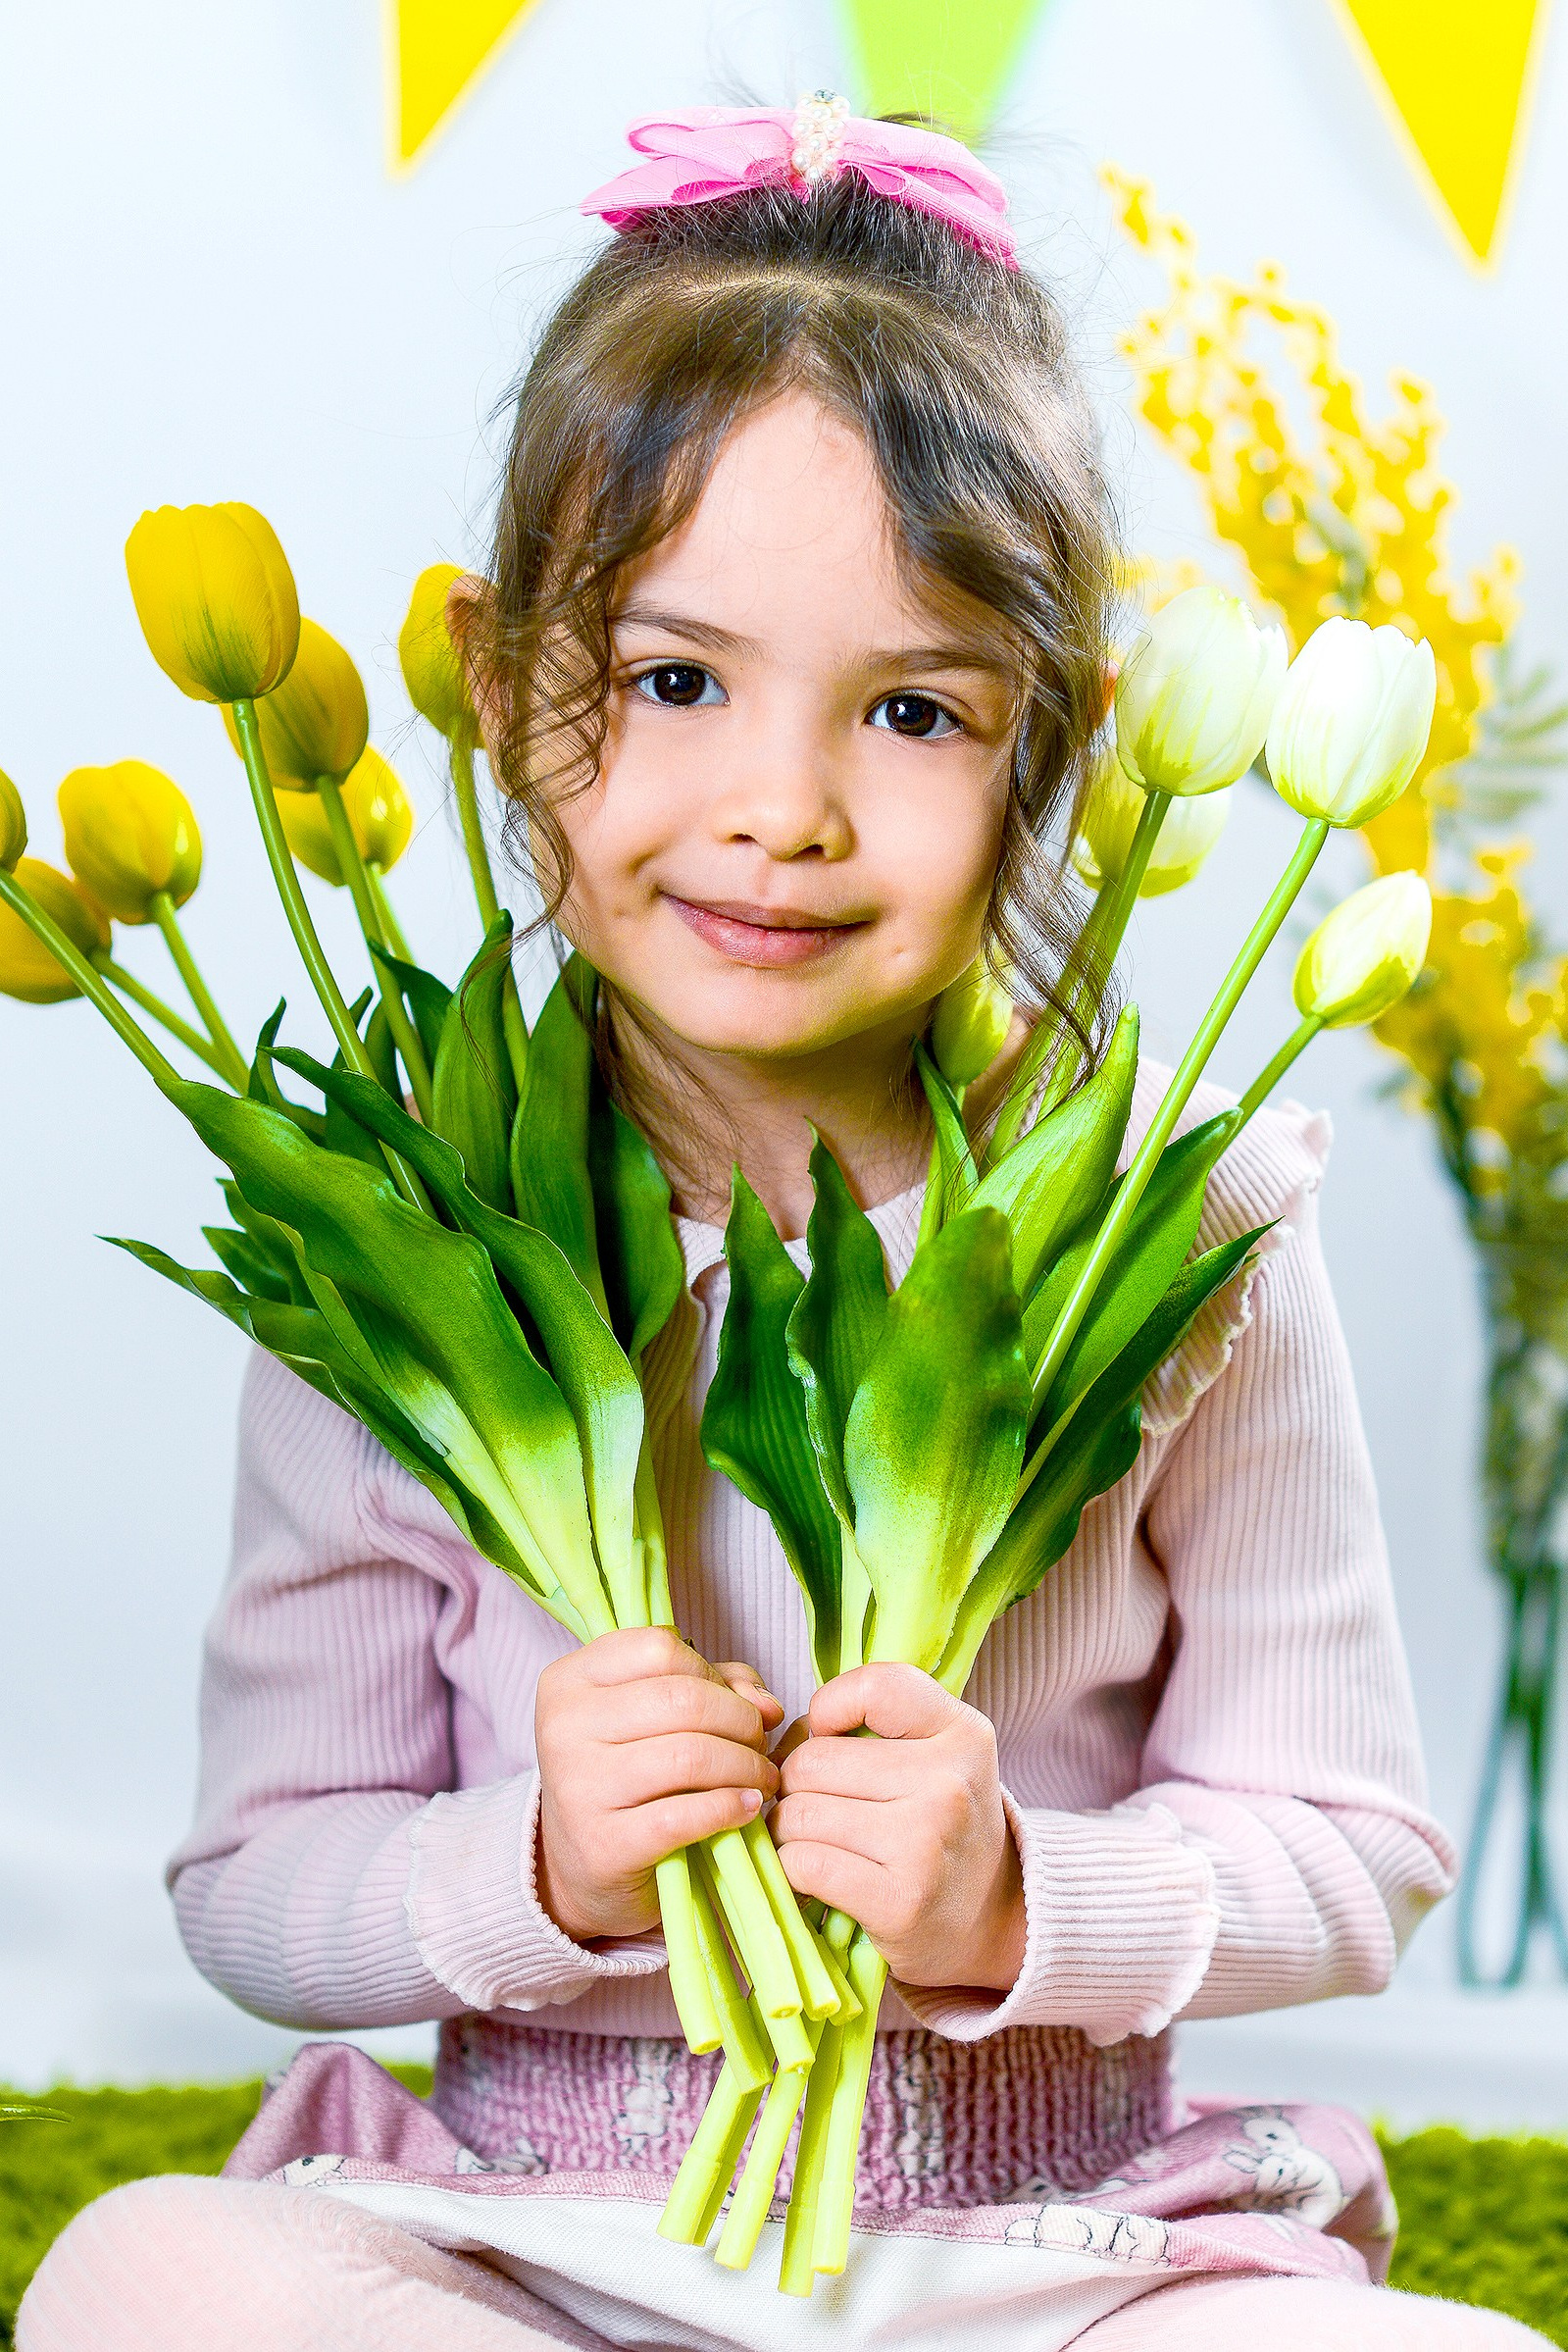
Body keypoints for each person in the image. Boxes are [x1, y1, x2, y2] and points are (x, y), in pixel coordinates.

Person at [20, 102, 1550, 2352]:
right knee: (141, 2272)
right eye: (670, 679)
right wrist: (522, 1867)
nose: (779, 807)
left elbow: (1349, 1851)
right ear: (501, 678)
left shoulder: (1196, 1229)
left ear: (1059, 745)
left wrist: (1018, 1887)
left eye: (913, 708)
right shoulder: (396, 1235)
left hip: (1059, 2251)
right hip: (533, 2244)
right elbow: (257, 1883)